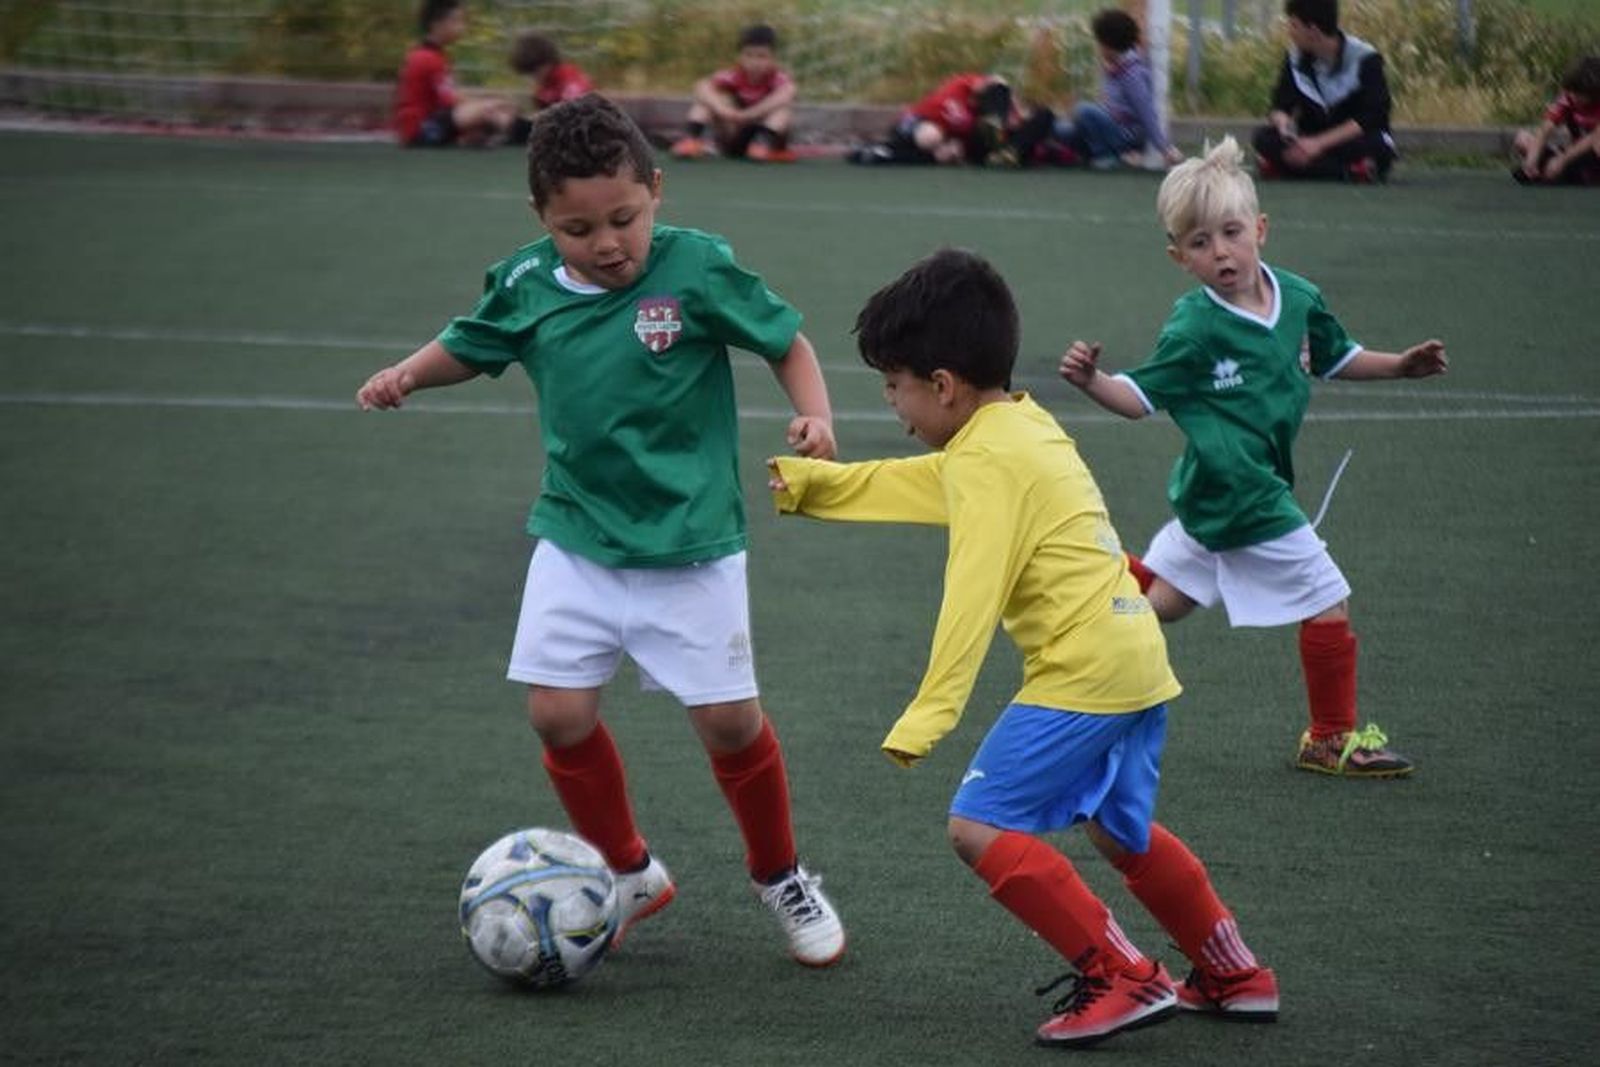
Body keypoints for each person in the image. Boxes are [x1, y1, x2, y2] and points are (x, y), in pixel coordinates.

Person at [356, 94, 846, 967]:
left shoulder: (696, 269)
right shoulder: (525, 282)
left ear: (656, 190)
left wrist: (814, 417)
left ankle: (780, 873)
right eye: (579, 228)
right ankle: (629, 871)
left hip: (691, 542)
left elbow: (790, 342)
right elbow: (471, 344)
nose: (609, 242)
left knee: (731, 725)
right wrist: (407, 374)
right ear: (542, 219)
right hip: (577, 536)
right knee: (556, 712)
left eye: (625, 218)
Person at [769, 248, 1277, 1048]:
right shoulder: (1018, 426)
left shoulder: (986, 462)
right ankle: (1235, 972)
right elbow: (924, 483)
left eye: (894, 385)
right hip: (1135, 656)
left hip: (1084, 670)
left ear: (942, 385)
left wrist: (929, 712)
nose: (891, 405)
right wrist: (816, 486)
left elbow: (970, 592)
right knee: (1123, 832)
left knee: (977, 825)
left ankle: (1124, 974)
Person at [1059, 137, 1448, 778]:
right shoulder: (1193, 327)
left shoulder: (1296, 298)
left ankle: (1080, 595)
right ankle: (1330, 738)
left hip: (1217, 489)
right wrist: (1092, 382)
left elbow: (1337, 355)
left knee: (1165, 602)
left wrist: (1400, 366)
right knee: (1328, 596)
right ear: (1178, 257)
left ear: (1260, 230)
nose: (1221, 253)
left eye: (1231, 233)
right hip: (1244, 493)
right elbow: (1139, 397)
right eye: (1200, 243)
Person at [1250, 0, 1395, 182]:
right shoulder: (1295, 59)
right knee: (1264, 138)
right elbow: (1279, 106)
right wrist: (1283, 124)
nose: (1290, 32)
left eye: (1294, 25)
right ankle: (1351, 171)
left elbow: (1373, 116)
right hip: (1308, 138)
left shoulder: (1365, 59)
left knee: (1380, 147)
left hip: (1346, 140)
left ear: (1313, 31)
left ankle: (1289, 168)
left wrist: (1318, 144)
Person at [1053, 9, 1184, 171]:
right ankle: (1094, 151)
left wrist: (1164, 148)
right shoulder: (1115, 65)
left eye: (1100, 43)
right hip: (1110, 126)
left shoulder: (1132, 75)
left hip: (1126, 134)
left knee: (1084, 109)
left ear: (1108, 46)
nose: (1098, 48)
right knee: (1060, 130)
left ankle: (1107, 154)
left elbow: (1147, 113)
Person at [847, 73, 1054, 167]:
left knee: (1046, 115)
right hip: (931, 131)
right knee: (931, 139)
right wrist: (951, 148)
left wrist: (1015, 116)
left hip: (991, 141)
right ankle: (880, 153)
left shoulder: (1001, 101)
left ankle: (1009, 153)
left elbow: (1001, 90)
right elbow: (993, 83)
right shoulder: (961, 87)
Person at [393, 0, 517, 148]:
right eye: (455, 21)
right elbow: (450, 102)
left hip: (425, 125)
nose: (461, 27)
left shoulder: (431, 55)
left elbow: (451, 99)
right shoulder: (428, 58)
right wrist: (491, 105)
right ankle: (519, 132)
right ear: (437, 24)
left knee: (487, 110)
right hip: (420, 130)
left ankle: (483, 135)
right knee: (489, 110)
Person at [671, 23, 798, 162]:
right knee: (706, 101)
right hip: (733, 133)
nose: (754, 62)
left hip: (765, 133)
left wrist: (750, 114)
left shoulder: (778, 79)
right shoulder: (732, 76)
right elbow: (702, 86)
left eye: (762, 56)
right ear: (740, 57)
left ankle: (763, 145)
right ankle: (691, 139)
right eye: (749, 55)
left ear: (773, 58)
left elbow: (788, 92)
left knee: (783, 111)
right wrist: (724, 110)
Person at [1512, 55, 1600, 186]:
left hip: (1592, 156)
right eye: (1571, 91)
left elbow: (1594, 137)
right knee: (1522, 139)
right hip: (1575, 157)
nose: (1573, 97)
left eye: (1579, 94)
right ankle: (1542, 171)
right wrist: (1532, 157)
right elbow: (1545, 129)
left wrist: (1562, 160)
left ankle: (1573, 175)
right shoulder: (1568, 97)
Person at [506, 32, 595, 146]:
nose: (534, 77)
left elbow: (577, 110)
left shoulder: (569, 78)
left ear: (547, 62)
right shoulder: (544, 86)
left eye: (535, 71)